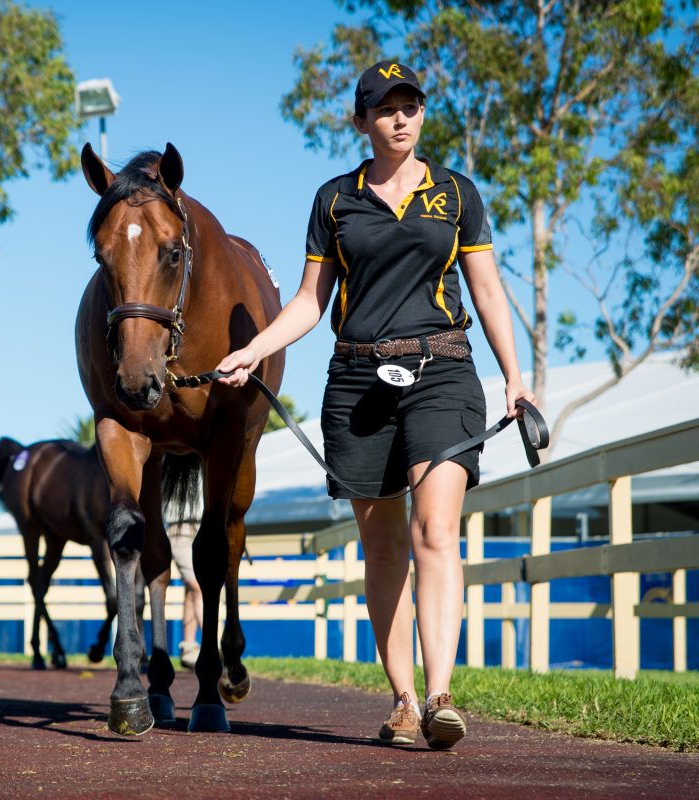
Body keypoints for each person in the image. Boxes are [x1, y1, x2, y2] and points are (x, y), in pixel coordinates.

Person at [217, 60, 534, 750]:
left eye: (410, 106)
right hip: (358, 381)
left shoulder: (457, 194)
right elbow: (310, 302)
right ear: (360, 120)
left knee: (434, 530)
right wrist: (252, 351)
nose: (400, 118)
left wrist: (516, 376)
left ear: (421, 113)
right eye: (385, 108)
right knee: (384, 546)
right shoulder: (335, 200)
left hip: (443, 371)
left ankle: (441, 695)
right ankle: (403, 700)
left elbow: (486, 289)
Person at [165, 519, 203, 668]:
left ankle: (189, 647)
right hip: (179, 529)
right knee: (199, 586)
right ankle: (215, 644)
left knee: (192, 588)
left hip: (204, 527)